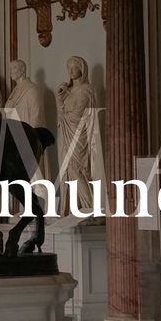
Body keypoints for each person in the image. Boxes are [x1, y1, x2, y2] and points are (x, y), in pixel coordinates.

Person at [57, 56, 102, 216]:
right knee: (68, 171)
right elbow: (61, 115)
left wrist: (64, 111)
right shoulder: (68, 92)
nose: (71, 71)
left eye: (74, 67)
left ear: (82, 69)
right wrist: (59, 99)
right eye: (68, 67)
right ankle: (73, 209)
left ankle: (90, 208)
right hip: (67, 135)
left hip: (79, 136)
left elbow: (79, 113)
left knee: (76, 170)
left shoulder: (87, 90)